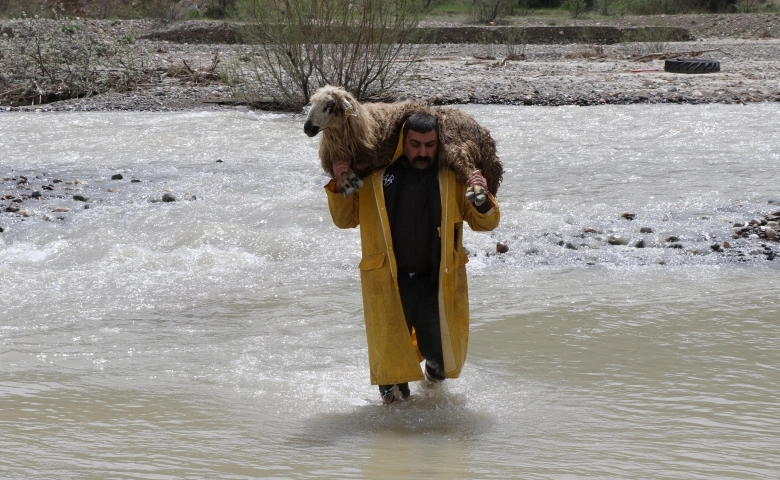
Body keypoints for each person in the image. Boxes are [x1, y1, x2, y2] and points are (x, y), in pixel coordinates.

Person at [324, 113, 500, 404]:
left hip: (436, 281)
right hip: (390, 282)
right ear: (402, 143)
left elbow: (485, 224)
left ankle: (431, 393)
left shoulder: (452, 180)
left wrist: (480, 194)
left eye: (429, 145)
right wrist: (341, 183)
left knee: (442, 361)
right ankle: (394, 432)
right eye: (415, 144)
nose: (422, 152)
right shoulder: (376, 179)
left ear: (438, 144)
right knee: (392, 374)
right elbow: (347, 218)